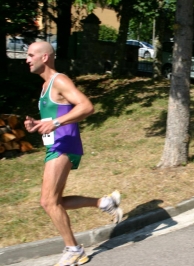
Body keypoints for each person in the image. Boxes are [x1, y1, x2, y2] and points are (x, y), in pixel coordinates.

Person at [24, 41, 123, 265]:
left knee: (48, 202)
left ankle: (74, 250)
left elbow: (86, 106)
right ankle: (104, 203)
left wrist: (56, 123)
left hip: (64, 145)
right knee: (55, 201)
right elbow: (59, 113)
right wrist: (39, 124)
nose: (27, 59)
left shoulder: (59, 80)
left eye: (30, 55)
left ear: (45, 57)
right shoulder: (45, 86)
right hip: (57, 145)